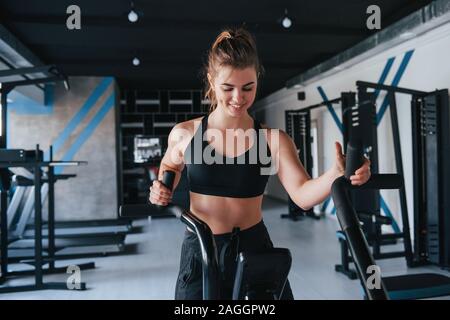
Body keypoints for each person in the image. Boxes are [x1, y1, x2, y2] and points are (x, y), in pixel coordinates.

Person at [149, 27, 371, 300]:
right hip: (201, 251)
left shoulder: (273, 141)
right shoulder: (185, 133)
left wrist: (336, 173)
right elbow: (170, 166)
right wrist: (162, 185)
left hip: (254, 251)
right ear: (211, 81)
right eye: (228, 88)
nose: (238, 98)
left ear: (258, 81)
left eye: (248, 88)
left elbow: (302, 195)